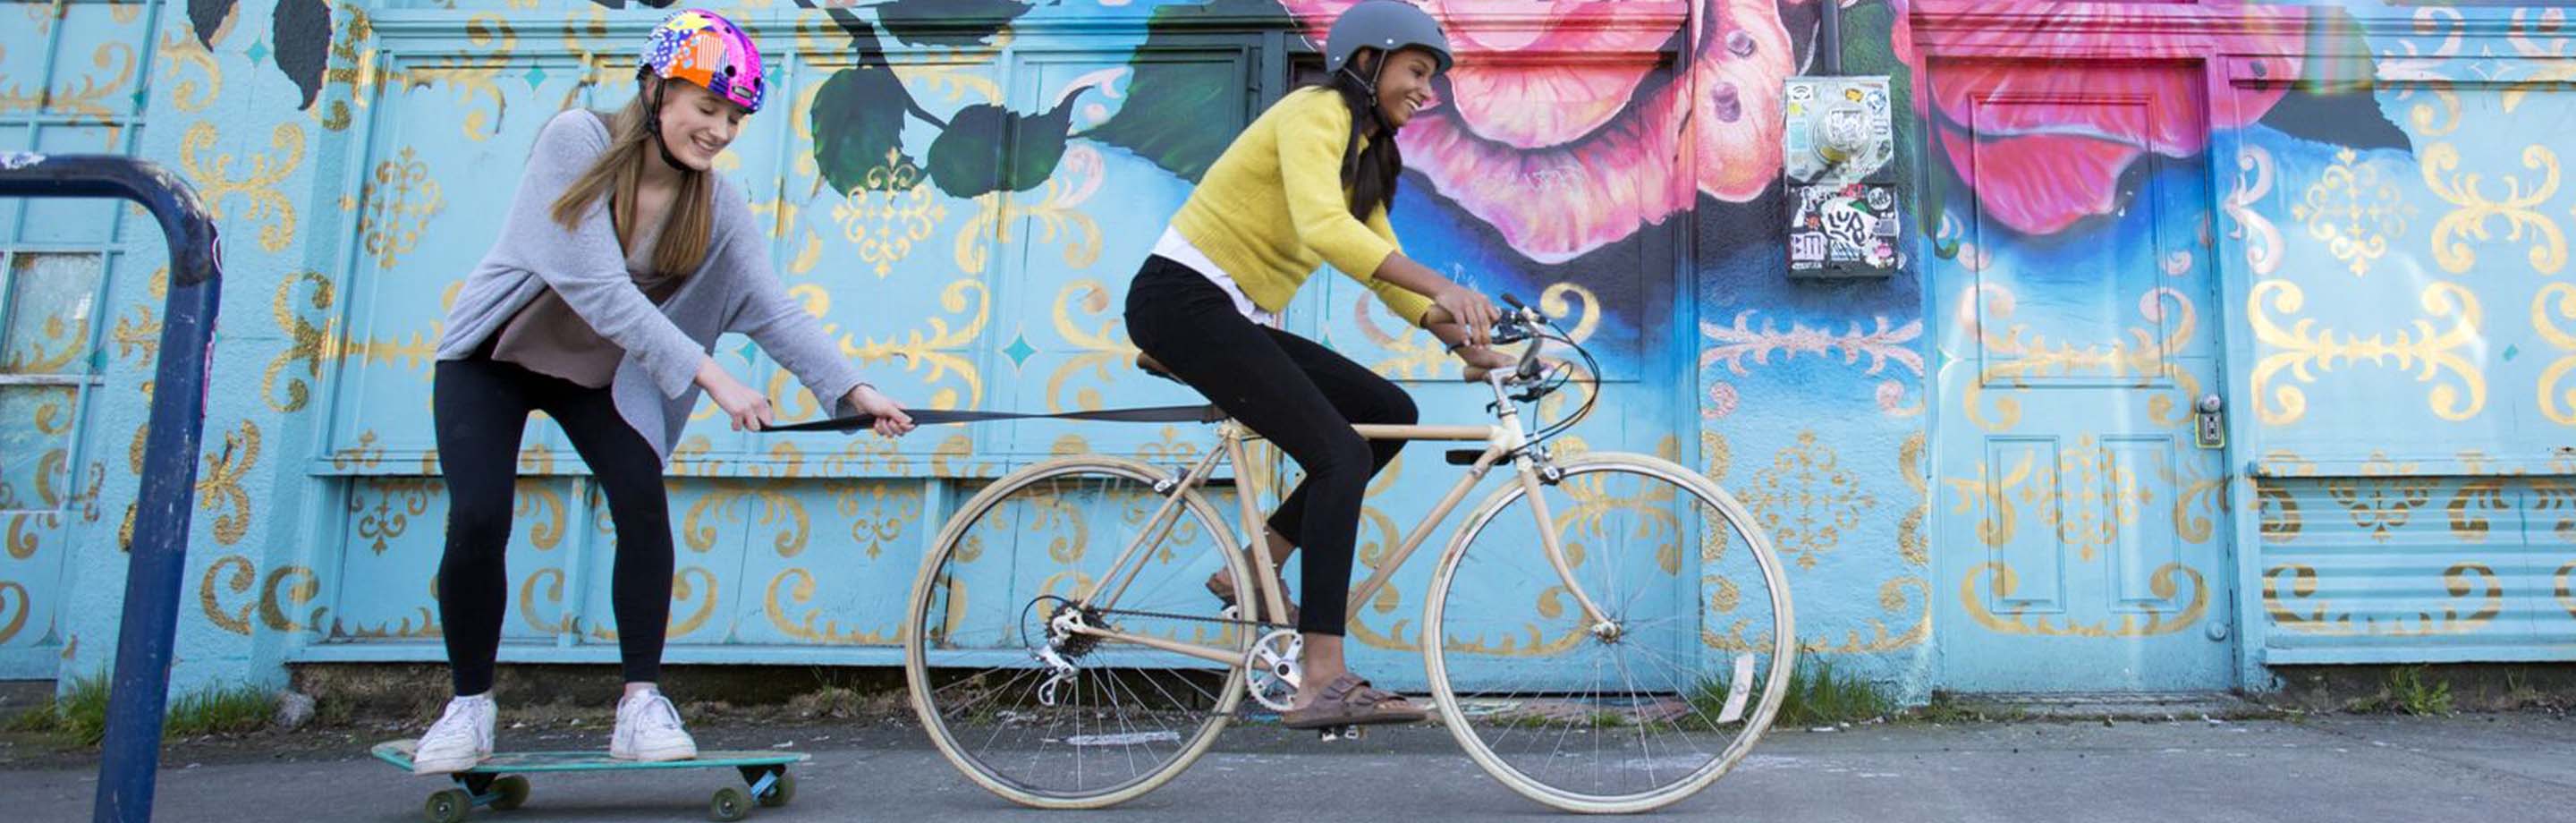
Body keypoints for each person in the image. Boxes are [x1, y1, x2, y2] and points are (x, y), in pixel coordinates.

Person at [409, 10, 916, 774]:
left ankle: (640, 703)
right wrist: (713, 377)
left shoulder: (715, 205)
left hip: (598, 375)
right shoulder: (575, 143)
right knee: (480, 516)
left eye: (734, 118)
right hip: (493, 360)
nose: (719, 131)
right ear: (656, 89)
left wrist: (852, 389)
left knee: (641, 499)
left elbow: (770, 306)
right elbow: (598, 289)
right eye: (706, 108)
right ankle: (468, 708)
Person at [1123, 0, 1513, 728]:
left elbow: (1374, 269)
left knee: (1389, 416)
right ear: (1369, 60)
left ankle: (1250, 566)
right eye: (1417, 71)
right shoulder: (1315, 111)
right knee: (1338, 452)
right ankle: (1321, 679)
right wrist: (1445, 285)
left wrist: (1456, 335)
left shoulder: (1364, 153)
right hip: (1181, 300)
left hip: (1228, 313)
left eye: (1432, 78)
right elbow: (1322, 228)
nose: (1426, 91)